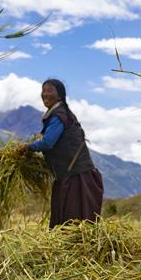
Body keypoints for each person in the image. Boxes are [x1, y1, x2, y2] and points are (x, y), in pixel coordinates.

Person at [26, 79, 103, 228]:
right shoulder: (58, 113)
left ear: (60, 95)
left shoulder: (58, 115)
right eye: (43, 90)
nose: (45, 94)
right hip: (70, 175)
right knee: (70, 221)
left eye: (50, 90)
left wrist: (27, 148)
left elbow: (48, 142)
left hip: (76, 177)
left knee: (72, 221)